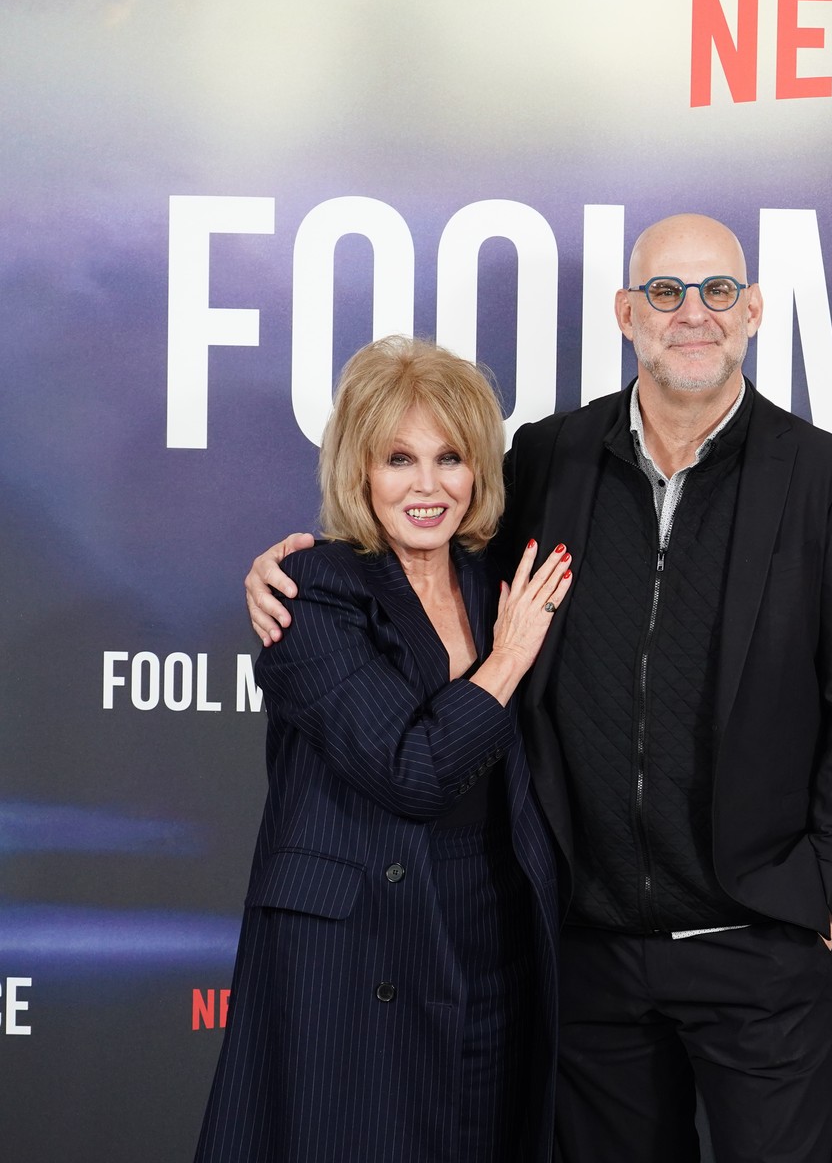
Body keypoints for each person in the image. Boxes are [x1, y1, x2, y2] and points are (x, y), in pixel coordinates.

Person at [245, 214, 832, 1163]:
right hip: (584, 945)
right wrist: (276, 572)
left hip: (756, 937)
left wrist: (828, 890)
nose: (693, 315)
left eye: (717, 291)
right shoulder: (548, 460)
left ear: (753, 310)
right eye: (666, 294)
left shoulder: (823, 477)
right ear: (626, 314)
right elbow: (420, 551)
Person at [197, 336, 568, 1163]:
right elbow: (416, 771)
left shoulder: (492, 579)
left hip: (486, 930)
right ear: (359, 470)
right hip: (358, 945)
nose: (428, 485)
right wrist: (506, 660)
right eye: (399, 458)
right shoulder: (315, 590)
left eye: (450, 457)